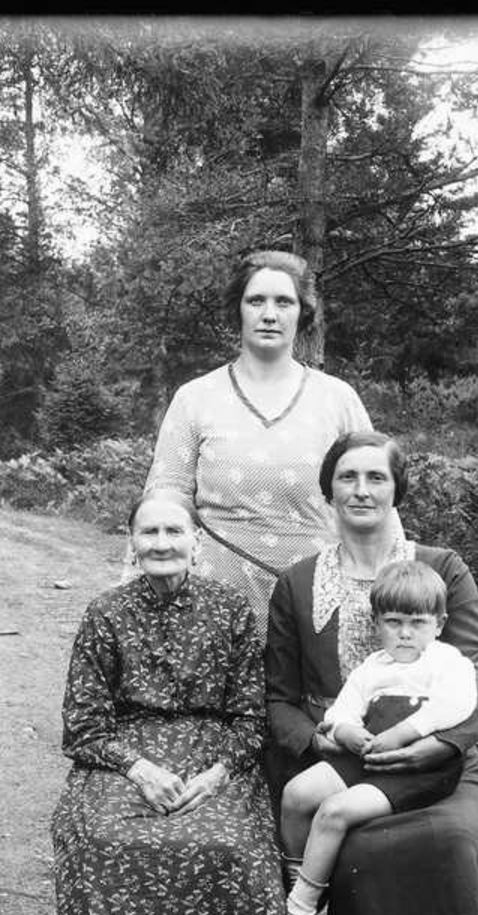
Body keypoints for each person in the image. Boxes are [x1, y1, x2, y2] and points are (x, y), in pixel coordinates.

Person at [264, 430, 478, 915]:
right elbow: (278, 699)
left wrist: (441, 744)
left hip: (439, 766)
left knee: (451, 845)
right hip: (342, 759)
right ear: (328, 489)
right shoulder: (299, 581)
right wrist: (321, 738)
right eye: (348, 477)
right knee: (350, 841)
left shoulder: (440, 569)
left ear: (398, 489)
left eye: (376, 477)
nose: (362, 490)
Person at [52, 490, 286, 915]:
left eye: (174, 532)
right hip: (125, 759)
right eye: (149, 532)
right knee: (103, 839)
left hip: (214, 759)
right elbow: (82, 725)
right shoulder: (105, 613)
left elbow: (251, 719)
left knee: (230, 844)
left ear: (196, 541)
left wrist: (217, 773)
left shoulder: (232, 610)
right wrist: (138, 769)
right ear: (132, 542)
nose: (161, 543)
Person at [127, 248, 382, 638]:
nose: (269, 314)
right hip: (213, 606)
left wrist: (397, 588)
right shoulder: (196, 398)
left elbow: (378, 498)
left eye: (284, 302)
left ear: (303, 312)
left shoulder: (337, 399)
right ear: (238, 310)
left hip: (318, 602)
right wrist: (141, 601)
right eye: (256, 300)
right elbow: (165, 499)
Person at [280, 559, 478, 915]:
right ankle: (302, 884)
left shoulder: (447, 663)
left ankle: (298, 913)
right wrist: (348, 732)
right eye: (393, 622)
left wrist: (402, 733)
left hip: (418, 766)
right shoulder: (373, 667)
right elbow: (342, 711)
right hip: (369, 753)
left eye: (417, 623)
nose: (405, 633)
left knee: (334, 812)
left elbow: (457, 706)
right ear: (376, 623)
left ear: (439, 624)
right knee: (296, 794)